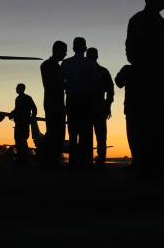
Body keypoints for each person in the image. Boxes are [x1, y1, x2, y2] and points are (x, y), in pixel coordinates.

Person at [124, 0, 164, 176]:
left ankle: (151, 161)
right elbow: (132, 51)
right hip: (148, 80)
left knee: (154, 122)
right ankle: (145, 162)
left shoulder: (156, 20)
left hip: (156, 78)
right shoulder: (141, 20)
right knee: (144, 122)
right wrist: (150, 69)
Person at [61, 37, 99, 169]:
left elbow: (61, 83)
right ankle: (85, 162)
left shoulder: (65, 63)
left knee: (72, 133)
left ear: (73, 48)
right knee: (86, 134)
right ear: (85, 49)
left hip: (72, 101)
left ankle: (72, 163)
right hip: (86, 101)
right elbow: (95, 84)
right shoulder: (91, 64)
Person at [40, 40, 67, 169]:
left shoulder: (53, 66)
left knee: (57, 132)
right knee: (54, 132)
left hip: (55, 103)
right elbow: (52, 85)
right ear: (57, 50)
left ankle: (52, 159)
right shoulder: (47, 65)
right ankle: (49, 160)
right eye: (64, 51)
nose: (65, 54)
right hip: (53, 103)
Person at [86, 46, 115, 168]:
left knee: (86, 135)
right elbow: (110, 91)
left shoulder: (84, 72)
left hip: (86, 106)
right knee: (101, 136)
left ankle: (87, 160)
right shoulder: (103, 71)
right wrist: (108, 105)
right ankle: (101, 160)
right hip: (99, 106)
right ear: (97, 56)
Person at [11, 83, 37, 164]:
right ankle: (21, 159)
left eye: (17, 88)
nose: (16, 89)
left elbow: (34, 109)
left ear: (21, 89)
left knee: (22, 140)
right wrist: (12, 113)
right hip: (19, 122)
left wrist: (32, 118)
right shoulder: (18, 98)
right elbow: (17, 109)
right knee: (19, 140)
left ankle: (24, 159)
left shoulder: (27, 98)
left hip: (24, 123)